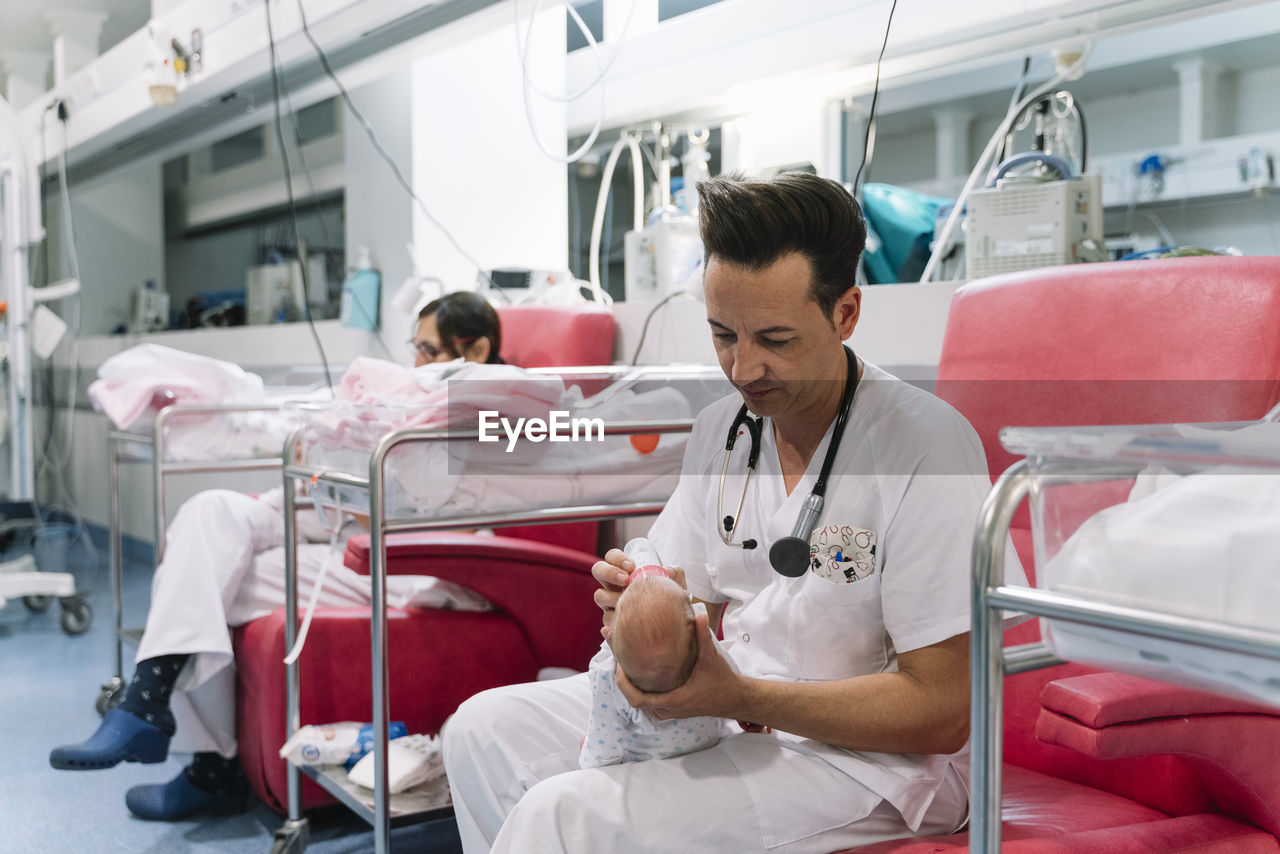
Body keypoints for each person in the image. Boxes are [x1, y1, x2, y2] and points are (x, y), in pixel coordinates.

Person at [441, 173, 1027, 852]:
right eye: (723, 335)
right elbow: (666, 575)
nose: (743, 368)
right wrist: (634, 598)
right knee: (482, 730)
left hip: (874, 767)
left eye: (775, 340)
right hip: (736, 712)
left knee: (564, 817)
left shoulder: (924, 446)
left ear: (845, 314)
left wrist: (740, 698)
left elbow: (942, 712)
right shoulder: (726, 428)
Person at [50, 291, 503, 820]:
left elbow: (437, 513)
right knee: (208, 514)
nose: (417, 362)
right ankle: (149, 706)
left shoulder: (495, 411)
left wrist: (344, 478)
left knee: (207, 576)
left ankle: (201, 758)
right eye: (416, 348)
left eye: (428, 351)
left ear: (475, 351)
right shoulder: (417, 397)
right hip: (340, 516)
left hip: (405, 558)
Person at [579, 565, 731, 768]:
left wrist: (589, 758)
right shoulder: (704, 643)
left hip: (643, 761)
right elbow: (732, 679)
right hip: (707, 744)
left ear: (611, 637)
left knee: (587, 742)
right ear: (695, 624)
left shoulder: (608, 675)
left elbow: (604, 744)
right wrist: (745, 717)